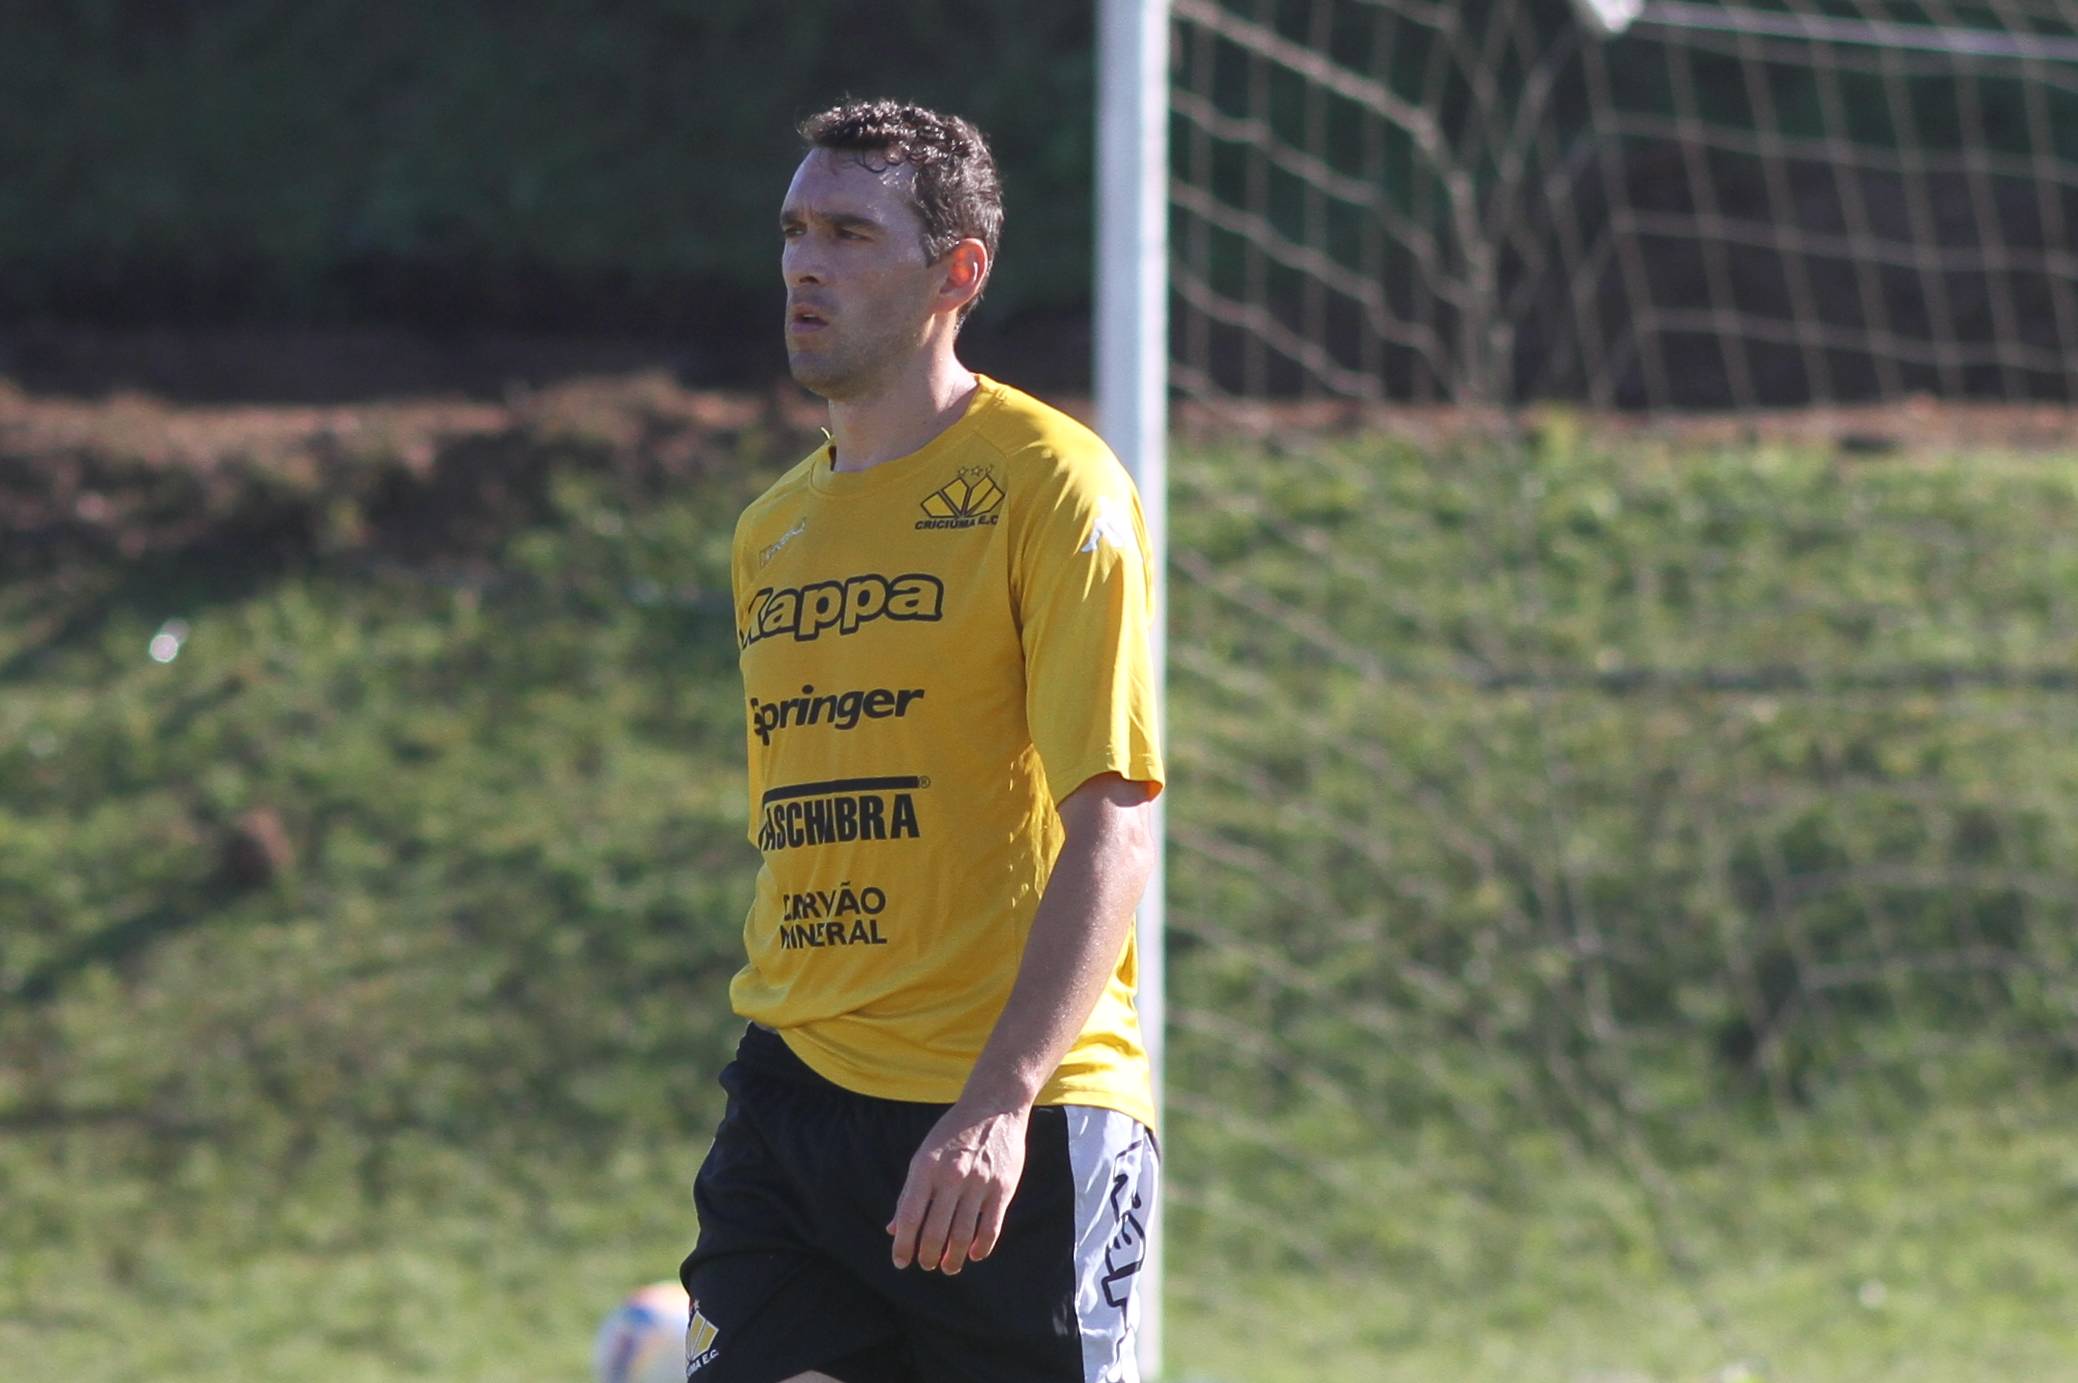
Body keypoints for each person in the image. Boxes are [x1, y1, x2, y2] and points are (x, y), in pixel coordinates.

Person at [677, 99, 1165, 1383]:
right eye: (794, 230)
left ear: (958, 273)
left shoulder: (1052, 484)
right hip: (795, 1095)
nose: (804, 263)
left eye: (849, 233)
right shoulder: (769, 531)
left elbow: (1113, 825)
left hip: (1012, 1118)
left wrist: (998, 1102)